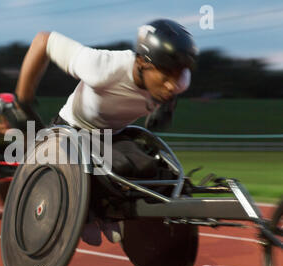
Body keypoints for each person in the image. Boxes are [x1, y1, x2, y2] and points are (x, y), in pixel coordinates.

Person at [13, 19, 198, 246]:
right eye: (166, 75)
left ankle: (107, 207)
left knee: (149, 167)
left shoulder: (181, 81)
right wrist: (23, 101)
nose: (172, 85)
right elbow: (43, 41)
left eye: (178, 75)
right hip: (72, 130)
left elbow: (173, 85)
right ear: (141, 61)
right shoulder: (102, 67)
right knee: (115, 165)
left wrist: (167, 105)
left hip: (113, 135)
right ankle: (91, 208)